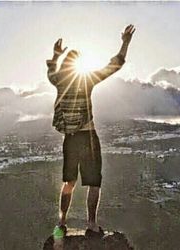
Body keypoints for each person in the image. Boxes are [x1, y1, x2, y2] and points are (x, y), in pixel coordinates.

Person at [46, 24, 135, 239]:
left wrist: (56, 55)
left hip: (70, 138)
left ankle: (62, 221)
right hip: (88, 136)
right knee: (94, 182)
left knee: (69, 182)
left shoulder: (58, 80)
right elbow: (115, 65)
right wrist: (125, 43)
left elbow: (50, 70)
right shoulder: (87, 80)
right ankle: (92, 223)